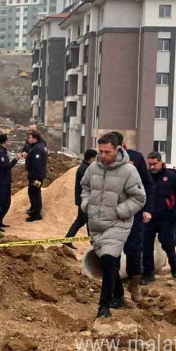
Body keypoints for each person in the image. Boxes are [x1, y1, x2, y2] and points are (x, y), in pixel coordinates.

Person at [80, 133, 146, 318]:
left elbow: (139, 198)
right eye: (100, 151)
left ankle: (104, 306)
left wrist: (120, 211)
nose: (102, 155)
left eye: (107, 152)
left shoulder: (129, 171)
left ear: (117, 150)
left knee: (110, 258)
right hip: (95, 223)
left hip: (117, 223)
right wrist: (86, 205)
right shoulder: (93, 168)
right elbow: (84, 187)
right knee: (105, 260)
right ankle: (118, 294)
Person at [110, 131, 154, 302]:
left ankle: (134, 283)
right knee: (111, 252)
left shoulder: (135, 158)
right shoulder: (102, 164)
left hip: (133, 213)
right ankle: (116, 292)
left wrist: (148, 209)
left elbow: (148, 185)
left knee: (134, 250)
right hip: (111, 214)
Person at [142, 151, 176, 282]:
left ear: (161, 162)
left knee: (167, 244)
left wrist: (175, 217)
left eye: (154, 164)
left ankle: (174, 266)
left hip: (167, 218)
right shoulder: (146, 176)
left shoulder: (172, 176)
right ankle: (148, 274)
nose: (152, 167)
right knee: (146, 246)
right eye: (150, 164)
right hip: (149, 217)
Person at [63, 149, 97, 248]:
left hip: (82, 199)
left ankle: (68, 239)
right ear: (92, 158)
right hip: (84, 200)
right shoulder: (85, 169)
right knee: (89, 222)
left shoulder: (85, 167)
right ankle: (93, 244)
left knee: (81, 221)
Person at [0, 134, 17, 231]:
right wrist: (16, 159)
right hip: (0, 183)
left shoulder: (2, 151)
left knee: (6, 202)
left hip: (5, 181)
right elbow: (6, 166)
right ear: (5, 142)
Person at [23, 131, 48, 222]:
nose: (28, 139)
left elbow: (36, 165)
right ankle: (33, 209)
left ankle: (36, 214)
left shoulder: (37, 149)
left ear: (35, 139)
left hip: (36, 176)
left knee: (35, 193)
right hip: (36, 175)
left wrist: (33, 178)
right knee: (32, 191)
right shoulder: (39, 146)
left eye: (30, 138)